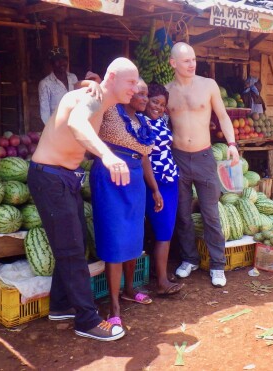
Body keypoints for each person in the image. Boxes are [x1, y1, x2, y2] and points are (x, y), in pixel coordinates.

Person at [28, 57, 138, 342]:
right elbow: (77, 122)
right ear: (111, 77)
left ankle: (61, 305)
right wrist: (107, 155)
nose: (135, 88)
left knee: (74, 244)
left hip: (64, 177)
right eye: (130, 81)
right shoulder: (89, 97)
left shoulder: (104, 99)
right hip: (50, 177)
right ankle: (87, 321)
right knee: (72, 250)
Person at [166, 42, 239, 287]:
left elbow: (223, 116)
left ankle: (218, 265)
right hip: (178, 158)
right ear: (173, 63)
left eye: (194, 59)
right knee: (183, 214)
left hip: (204, 157)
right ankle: (189, 259)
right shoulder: (167, 92)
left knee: (211, 214)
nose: (192, 64)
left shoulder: (208, 85)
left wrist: (231, 143)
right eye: (186, 60)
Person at [91, 79, 163, 325]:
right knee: (114, 239)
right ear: (127, 94)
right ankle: (114, 306)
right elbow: (84, 83)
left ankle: (129, 290)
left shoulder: (142, 122)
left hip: (134, 180)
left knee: (133, 238)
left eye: (146, 94)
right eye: (139, 94)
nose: (144, 98)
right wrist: (93, 83)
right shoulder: (111, 110)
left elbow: (144, 159)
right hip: (110, 177)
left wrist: (154, 189)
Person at [142, 83, 183, 295]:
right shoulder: (141, 123)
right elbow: (144, 159)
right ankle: (162, 282)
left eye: (162, 104)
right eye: (154, 101)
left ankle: (160, 274)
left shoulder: (160, 121)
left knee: (164, 230)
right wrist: (155, 189)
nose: (158, 107)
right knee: (163, 231)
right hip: (156, 183)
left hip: (170, 180)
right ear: (145, 99)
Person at [38, 47, 79, 124]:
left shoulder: (73, 78)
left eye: (64, 59)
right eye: (57, 60)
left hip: (74, 123)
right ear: (51, 64)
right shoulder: (45, 84)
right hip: (57, 126)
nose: (62, 63)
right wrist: (51, 131)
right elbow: (45, 113)